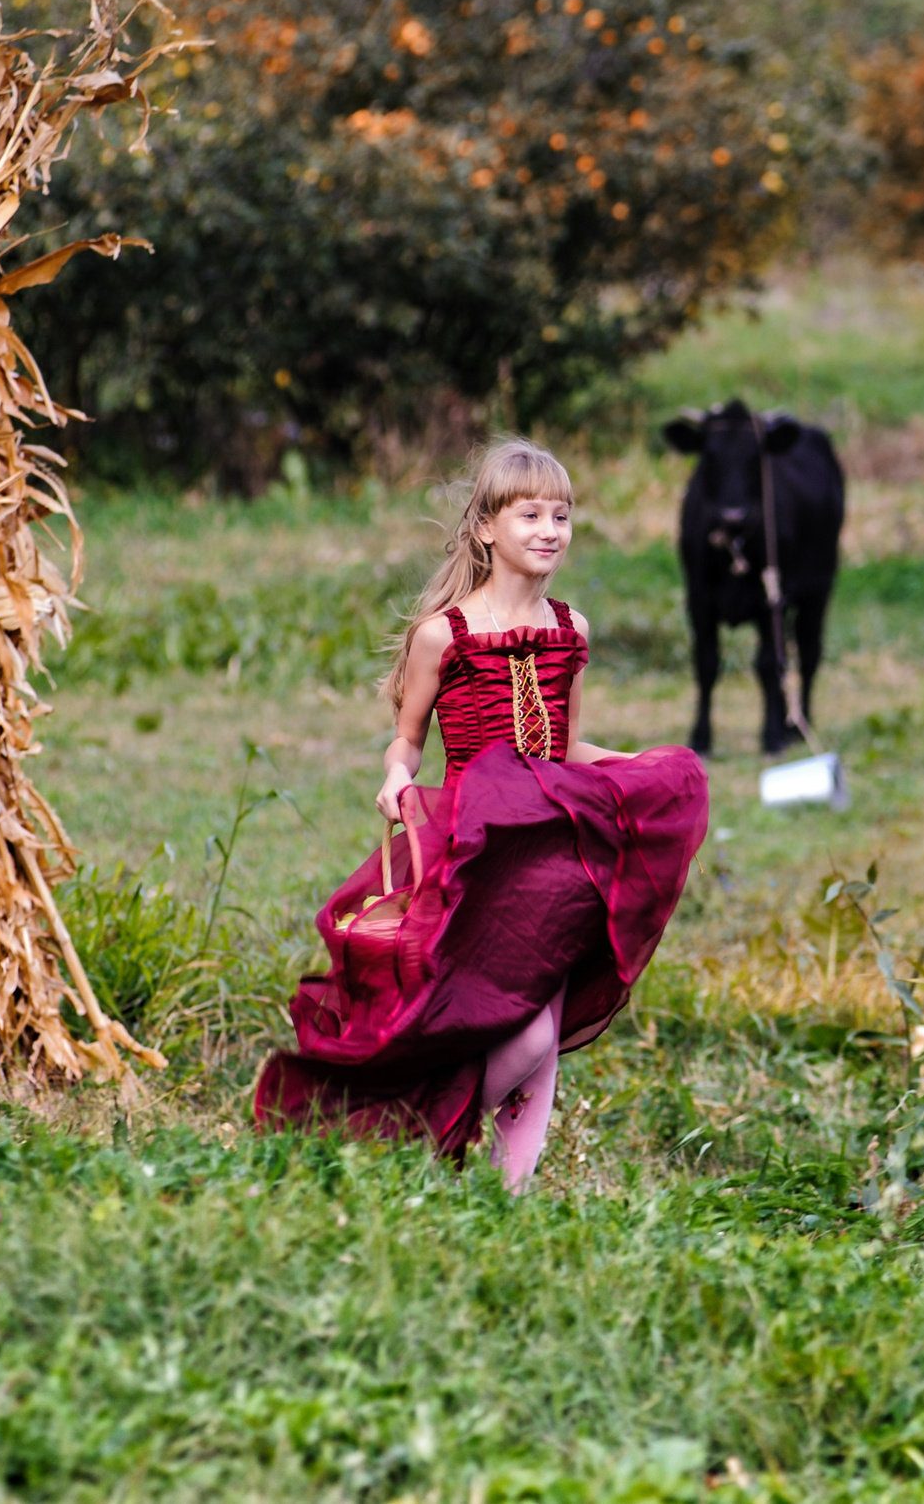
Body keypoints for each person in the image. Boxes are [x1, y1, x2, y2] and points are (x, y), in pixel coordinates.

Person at [253, 439, 708, 1190]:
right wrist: (396, 785)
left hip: (558, 846)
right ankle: (423, 1139)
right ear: (487, 528)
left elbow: (562, 746)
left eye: (561, 515)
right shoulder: (446, 634)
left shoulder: (572, 629)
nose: (550, 529)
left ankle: (508, 1198)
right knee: (517, 1027)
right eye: (530, 513)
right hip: (479, 845)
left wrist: (634, 766)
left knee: (547, 1025)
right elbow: (405, 744)